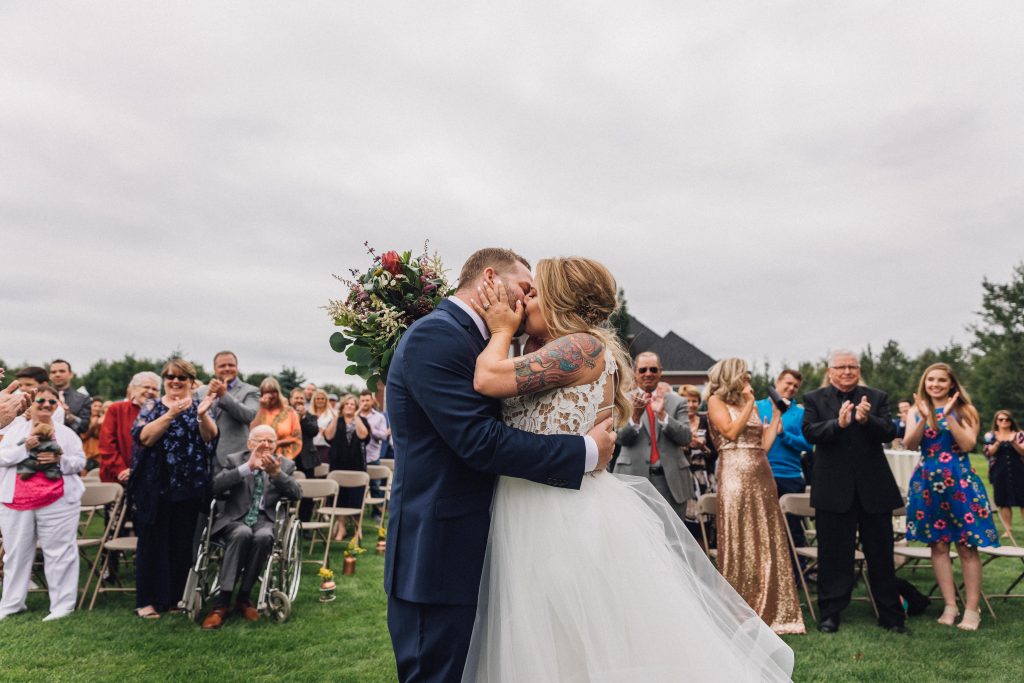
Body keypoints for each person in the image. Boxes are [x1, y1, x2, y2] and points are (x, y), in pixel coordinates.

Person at [461, 257, 794, 682]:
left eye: (535, 292)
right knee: (537, 638)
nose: (525, 300)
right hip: (526, 506)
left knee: (572, 639)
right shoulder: (542, 349)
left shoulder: (581, 346)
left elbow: (488, 379)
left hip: (560, 514)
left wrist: (501, 329)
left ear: (560, 301)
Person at [384, 248, 619, 683]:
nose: (527, 300)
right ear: (489, 279)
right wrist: (584, 451)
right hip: (440, 549)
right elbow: (479, 441)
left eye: (535, 293)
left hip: (518, 532)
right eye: (524, 288)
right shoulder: (436, 336)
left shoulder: (507, 344)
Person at [802, 350, 906, 634]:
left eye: (852, 366)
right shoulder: (814, 398)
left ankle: (891, 615)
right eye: (841, 367)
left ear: (859, 369)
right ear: (830, 370)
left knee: (881, 554)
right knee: (834, 555)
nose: (847, 371)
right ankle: (830, 614)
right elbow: (810, 432)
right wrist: (839, 424)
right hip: (833, 490)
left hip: (873, 488)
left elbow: (889, 431)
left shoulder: (876, 396)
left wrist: (866, 420)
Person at [706, 358, 805, 635]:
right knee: (741, 538)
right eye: (744, 376)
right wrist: (750, 403)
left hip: (761, 473)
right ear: (732, 377)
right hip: (735, 474)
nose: (748, 380)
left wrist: (775, 416)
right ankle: (738, 610)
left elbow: (762, 444)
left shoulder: (748, 404)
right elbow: (729, 432)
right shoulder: (716, 400)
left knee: (765, 538)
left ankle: (773, 609)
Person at [904, 363, 998, 630]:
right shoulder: (916, 410)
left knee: (967, 546)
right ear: (925, 383)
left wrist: (948, 417)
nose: (935, 384)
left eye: (941, 380)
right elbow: (910, 444)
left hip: (960, 483)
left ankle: (971, 608)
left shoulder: (965, 410)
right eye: (931, 380)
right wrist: (924, 417)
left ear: (951, 384)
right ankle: (949, 604)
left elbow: (968, 444)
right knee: (939, 546)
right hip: (927, 483)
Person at [131, 359, 218, 618]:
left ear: (191, 382)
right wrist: (170, 414)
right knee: (151, 544)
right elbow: (144, 437)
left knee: (181, 543)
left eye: (181, 378)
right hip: (154, 486)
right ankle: (146, 600)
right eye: (169, 377)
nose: (175, 382)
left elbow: (210, 436)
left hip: (188, 486)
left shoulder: (199, 406)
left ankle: (174, 598)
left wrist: (201, 415)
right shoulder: (152, 406)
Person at [200, 425, 301, 630]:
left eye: (270, 441)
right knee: (242, 532)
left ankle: (244, 598)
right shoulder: (234, 460)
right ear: (249, 443)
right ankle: (222, 603)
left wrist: (277, 474)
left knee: (264, 536)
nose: (265, 445)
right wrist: (247, 467)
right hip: (235, 519)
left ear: (275, 444)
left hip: (265, 520)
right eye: (260, 440)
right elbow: (215, 487)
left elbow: (297, 494)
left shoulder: (285, 464)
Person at [0, 384, 87, 621]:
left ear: (57, 405)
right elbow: (2, 457)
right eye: (41, 401)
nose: (46, 406)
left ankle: (62, 605)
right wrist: (24, 449)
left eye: (51, 402)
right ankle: (11, 603)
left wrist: (60, 459)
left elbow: (79, 462)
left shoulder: (67, 434)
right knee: (15, 554)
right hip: (17, 499)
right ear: (31, 404)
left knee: (59, 551)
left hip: (57, 499)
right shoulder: (15, 431)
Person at [613, 352, 694, 523]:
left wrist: (663, 415)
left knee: (673, 540)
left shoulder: (677, 401)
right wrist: (634, 417)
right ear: (635, 372)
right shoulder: (623, 400)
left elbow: (686, 438)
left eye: (653, 369)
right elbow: (619, 439)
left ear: (660, 372)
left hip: (670, 481)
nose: (648, 373)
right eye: (643, 370)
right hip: (634, 478)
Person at [755, 369, 813, 554]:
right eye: (787, 383)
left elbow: (807, 444)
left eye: (795, 386)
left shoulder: (799, 413)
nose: (791, 388)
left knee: (791, 528)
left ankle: (797, 571)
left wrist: (783, 434)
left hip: (790, 476)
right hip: (761, 473)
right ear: (777, 382)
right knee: (762, 527)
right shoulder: (756, 406)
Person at [196, 351, 260, 468]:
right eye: (222, 366)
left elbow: (249, 416)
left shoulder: (251, 391)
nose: (227, 368)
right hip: (204, 457)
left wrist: (224, 395)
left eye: (231, 365)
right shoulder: (201, 392)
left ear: (237, 367)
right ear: (215, 369)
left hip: (235, 458)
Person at [324, 393, 369, 541]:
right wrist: (336, 416)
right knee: (340, 497)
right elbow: (329, 437)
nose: (350, 407)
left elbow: (363, 436)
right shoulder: (337, 420)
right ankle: (341, 528)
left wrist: (356, 417)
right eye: (347, 404)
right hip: (338, 464)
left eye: (353, 405)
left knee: (356, 497)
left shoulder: (361, 420)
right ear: (342, 407)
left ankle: (357, 528)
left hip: (356, 465)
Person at [985, 410, 1024, 538]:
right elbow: (988, 453)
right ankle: (1008, 529)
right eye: (1001, 419)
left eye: (1007, 419)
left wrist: (1013, 442)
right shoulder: (990, 436)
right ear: (996, 421)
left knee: (1022, 499)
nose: (1004, 422)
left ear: (1011, 421)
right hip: (999, 471)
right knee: (1003, 500)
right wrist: (998, 442)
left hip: (1019, 469)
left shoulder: (1019, 435)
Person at [250, 377, 301, 461]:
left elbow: (297, 437)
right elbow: (252, 431)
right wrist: (262, 408)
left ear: (278, 392)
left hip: (285, 458)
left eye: (273, 392)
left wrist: (277, 443)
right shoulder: (258, 409)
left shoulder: (289, 412)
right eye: (266, 392)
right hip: (261, 458)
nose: (269, 395)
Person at [48, 359, 92, 437]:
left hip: (71, 443)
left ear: (71, 374)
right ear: (49, 376)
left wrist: (68, 416)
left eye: (62, 371)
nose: (57, 374)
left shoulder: (83, 399)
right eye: (53, 372)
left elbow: (84, 427)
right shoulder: (40, 398)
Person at [309, 389, 334, 464]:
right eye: (318, 398)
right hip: (310, 448)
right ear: (314, 400)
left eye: (322, 399)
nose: (320, 400)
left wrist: (326, 432)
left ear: (326, 400)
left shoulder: (331, 415)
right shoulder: (309, 414)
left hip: (325, 447)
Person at [82, 398, 105, 470]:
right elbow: (82, 435)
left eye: (100, 406)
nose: (97, 408)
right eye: (95, 406)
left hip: (98, 452)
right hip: (85, 450)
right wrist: (93, 424)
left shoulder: (104, 420)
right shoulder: (84, 419)